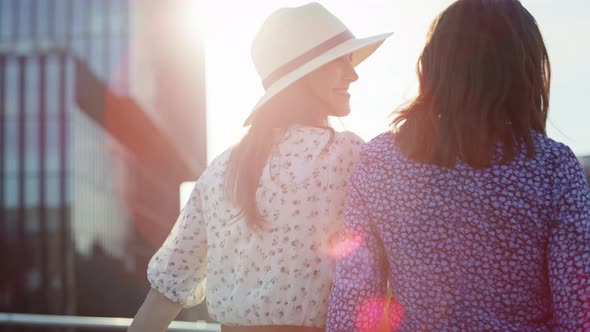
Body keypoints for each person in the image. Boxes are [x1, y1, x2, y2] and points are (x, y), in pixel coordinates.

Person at [326, 0, 590, 331]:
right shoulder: (553, 167)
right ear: (523, 72)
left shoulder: (379, 162)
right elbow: (579, 310)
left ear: (433, 67)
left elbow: (351, 301)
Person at [128, 3, 391, 332]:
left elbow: (165, 291)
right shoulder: (348, 155)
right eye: (338, 60)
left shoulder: (221, 170)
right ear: (306, 74)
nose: (353, 73)